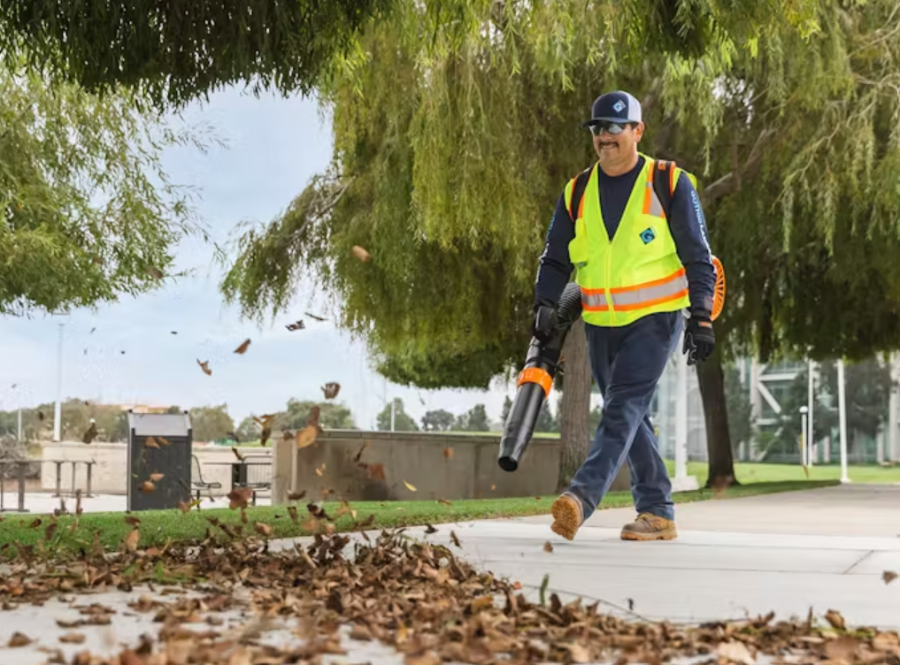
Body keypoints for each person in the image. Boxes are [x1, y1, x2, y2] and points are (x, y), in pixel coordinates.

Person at [533, 90, 716, 542]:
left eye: (616, 127)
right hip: (600, 324)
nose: (606, 136)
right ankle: (658, 512)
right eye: (599, 128)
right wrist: (544, 304)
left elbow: (698, 256)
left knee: (623, 407)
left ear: (638, 131)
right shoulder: (577, 191)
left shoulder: (669, 182)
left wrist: (701, 316)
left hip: (656, 319)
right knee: (632, 418)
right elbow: (555, 258)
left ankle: (579, 498)